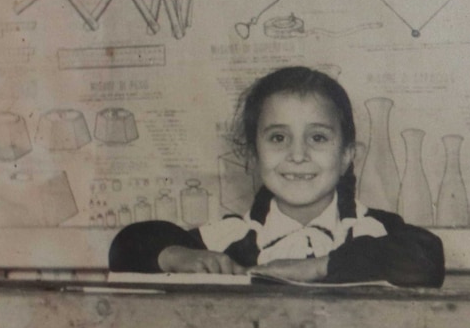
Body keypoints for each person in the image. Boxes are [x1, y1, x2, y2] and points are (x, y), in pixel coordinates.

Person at [108, 66, 444, 287]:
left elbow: (425, 256)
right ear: (254, 155)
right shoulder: (231, 238)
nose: (297, 155)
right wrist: (180, 256)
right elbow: (129, 246)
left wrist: (317, 266)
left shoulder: (374, 230)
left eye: (318, 138)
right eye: (278, 138)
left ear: (346, 156)